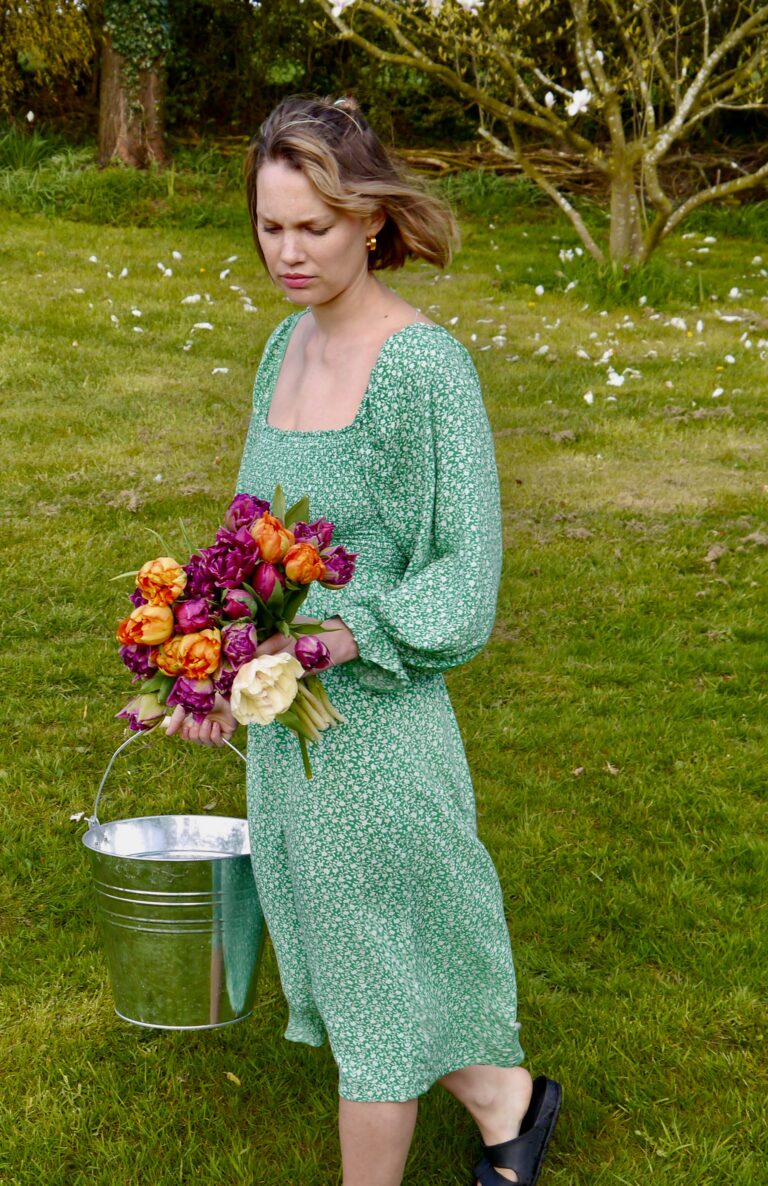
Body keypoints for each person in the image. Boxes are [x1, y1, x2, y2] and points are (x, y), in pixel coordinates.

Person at [166, 95, 561, 1186]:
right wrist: (212, 669)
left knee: (377, 1005)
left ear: (373, 221)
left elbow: (465, 577)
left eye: (316, 227)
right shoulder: (282, 346)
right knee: (362, 960)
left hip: (378, 736)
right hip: (286, 735)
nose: (289, 254)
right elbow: (252, 541)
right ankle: (508, 1101)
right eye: (271, 226)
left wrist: (339, 640)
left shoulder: (424, 369)